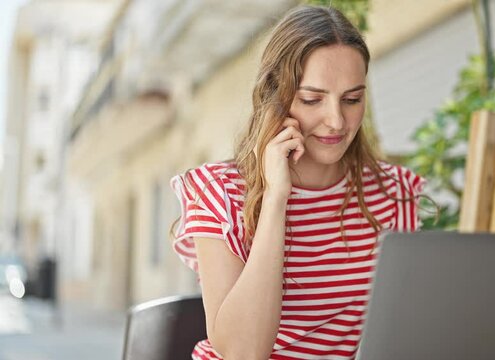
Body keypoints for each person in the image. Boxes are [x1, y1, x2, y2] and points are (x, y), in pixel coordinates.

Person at [170, 5, 431, 360]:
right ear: (275, 97)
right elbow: (243, 353)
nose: (337, 121)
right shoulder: (219, 192)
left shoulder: (395, 193)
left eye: (352, 99)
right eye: (312, 99)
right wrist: (276, 198)